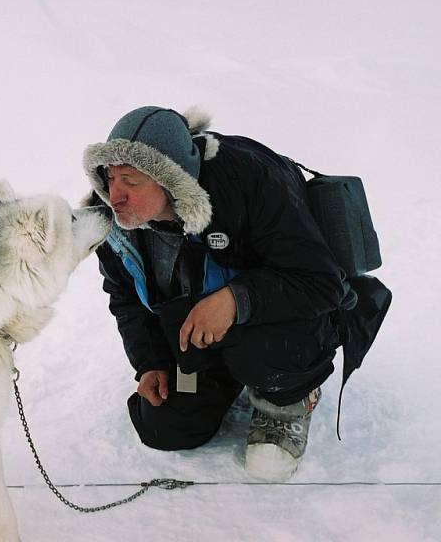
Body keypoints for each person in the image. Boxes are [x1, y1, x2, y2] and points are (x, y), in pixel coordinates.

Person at [82, 106, 348, 481]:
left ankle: (287, 399)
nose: (115, 196)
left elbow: (321, 282)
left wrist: (234, 300)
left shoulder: (249, 182)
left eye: (131, 180)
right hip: (193, 331)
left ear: (172, 179)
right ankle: (224, 375)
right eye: (110, 178)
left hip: (277, 325)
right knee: (165, 427)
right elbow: (124, 297)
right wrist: (151, 362)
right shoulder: (111, 219)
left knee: (258, 359)